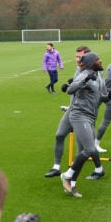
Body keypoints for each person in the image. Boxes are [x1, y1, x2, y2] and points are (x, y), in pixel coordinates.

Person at [60, 52, 106, 197]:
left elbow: (96, 96)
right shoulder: (84, 75)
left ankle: (72, 184)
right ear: (92, 63)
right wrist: (85, 79)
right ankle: (67, 175)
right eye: (98, 60)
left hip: (90, 117)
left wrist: (109, 97)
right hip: (80, 116)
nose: (101, 61)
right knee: (89, 149)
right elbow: (70, 90)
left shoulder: (97, 76)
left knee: (84, 152)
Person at [44, 45, 90, 179]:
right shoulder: (78, 68)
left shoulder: (91, 72)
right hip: (72, 109)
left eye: (80, 56)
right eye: (76, 56)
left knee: (84, 147)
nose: (77, 59)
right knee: (59, 135)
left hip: (84, 112)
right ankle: (56, 167)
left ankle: (94, 169)